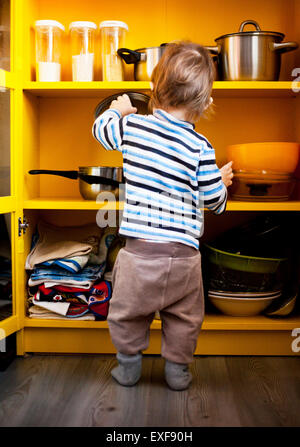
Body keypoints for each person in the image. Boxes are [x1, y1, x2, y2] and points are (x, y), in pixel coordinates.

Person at [92, 41, 233, 391]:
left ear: (154, 88)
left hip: (139, 255)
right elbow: (215, 201)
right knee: (184, 319)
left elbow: (101, 132)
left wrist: (117, 109)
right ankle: (177, 371)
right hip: (184, 257)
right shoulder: (202, 148)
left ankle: (128, 366)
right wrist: (222, 181)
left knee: (127, 313)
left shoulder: (134, 128)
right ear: (206, 103)